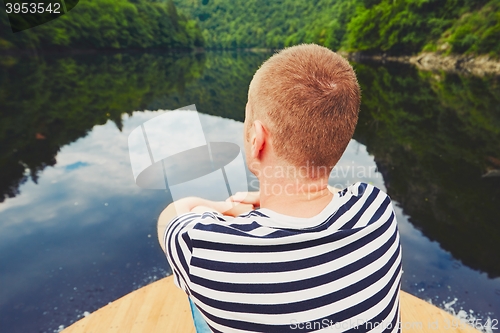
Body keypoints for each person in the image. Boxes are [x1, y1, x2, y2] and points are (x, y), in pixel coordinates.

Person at [157, 44, 402, 332]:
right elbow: (335, 196)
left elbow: (172, 215)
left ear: (257, 139)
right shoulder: (379, 210)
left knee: (198, 298)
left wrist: (225, 209)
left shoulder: (206, 251)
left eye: (246, 119)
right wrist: (267, 201)